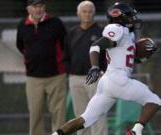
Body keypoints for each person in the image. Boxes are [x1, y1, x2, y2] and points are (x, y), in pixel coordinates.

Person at [51, 2, 161, 135]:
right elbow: (96, 46)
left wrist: (145, 57)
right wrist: (95, 67)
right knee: (154, 101)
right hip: (118, 80)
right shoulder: (117, 29)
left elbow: (129, 60)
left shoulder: (128, 34)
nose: (132, 18)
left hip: (108, 83)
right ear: (119, 17)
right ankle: (135, 132)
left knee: (85, 119)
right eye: (129, 16)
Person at [16, 0, 67, 135]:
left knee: (58, 113)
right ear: (28, 9)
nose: (38, 9)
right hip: (33, 78)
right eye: (35, 6)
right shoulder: (22, 25)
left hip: (56, 76)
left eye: (41, 6)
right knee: (35, 113)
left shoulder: (56, 23)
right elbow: (20, 46)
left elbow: (65, 45)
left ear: (44, 7)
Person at [64, 1, 108, 135]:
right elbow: (66, 55)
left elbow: (108, 54)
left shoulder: (102, 32)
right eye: (84, 11)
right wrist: (70, 73)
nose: (87, 14)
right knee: (81, 114)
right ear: (78, 14)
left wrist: (104, 72)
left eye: (90, 11)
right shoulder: (71, 33)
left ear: (94, 13)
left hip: (96, 79)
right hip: (76, 79)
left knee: (98, 113)